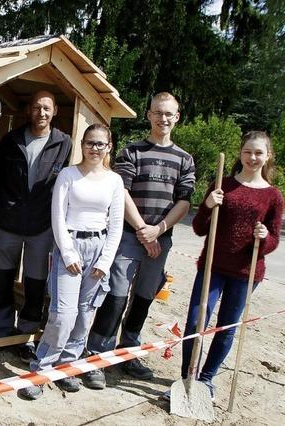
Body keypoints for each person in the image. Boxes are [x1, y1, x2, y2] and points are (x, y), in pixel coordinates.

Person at [84, 92, 195, 389]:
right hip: (129, 238)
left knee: (144, 298)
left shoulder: (184, 158)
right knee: (116, 296)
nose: (163, 118)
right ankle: (97, 354)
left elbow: (184, 201)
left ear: (177, 117)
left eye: (169, 113)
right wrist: (143, 230)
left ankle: (128, 350)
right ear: (149, 115)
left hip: (161, 240)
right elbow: (122, 193)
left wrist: (158, 230)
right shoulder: (132, 152)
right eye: (158, 112)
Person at [171, 131, 283, 400]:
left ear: (268, 156)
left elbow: (274, 239)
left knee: (226, 328)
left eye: (258, 153)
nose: (252, 157)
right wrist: (208, 206)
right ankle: (188, 376)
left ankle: (207, 380)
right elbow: (199, 228)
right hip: (212, 267)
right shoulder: (222, 185)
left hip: (246, 273)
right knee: (196, 322)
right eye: (248, 152)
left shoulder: (273, 196)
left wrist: (264, 238)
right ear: (240, 153)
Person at [18, 124, 125, 400]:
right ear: (82, 144)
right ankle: (41, 369)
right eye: (90, 143)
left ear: (109, 147)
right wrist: (67, 253)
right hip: (71, 247)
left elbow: (115, 225)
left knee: (85, 313)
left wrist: (105, 260)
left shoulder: (114, 181)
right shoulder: (68, 175)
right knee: (63, 314)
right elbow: (58, 217)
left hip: (99, 248)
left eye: (101, 144)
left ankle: (67, 366)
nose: (95, 149)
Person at [0, 90, 72, 362]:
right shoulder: (11, 140)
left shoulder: (64, 144)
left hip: (41, 226)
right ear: (28, 110)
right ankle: (2, 330)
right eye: (36, 108)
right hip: (8, 222)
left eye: (46, 108)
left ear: (55, 110)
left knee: (35, 284)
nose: (41, 113)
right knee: (3, 279)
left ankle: (26, 334)